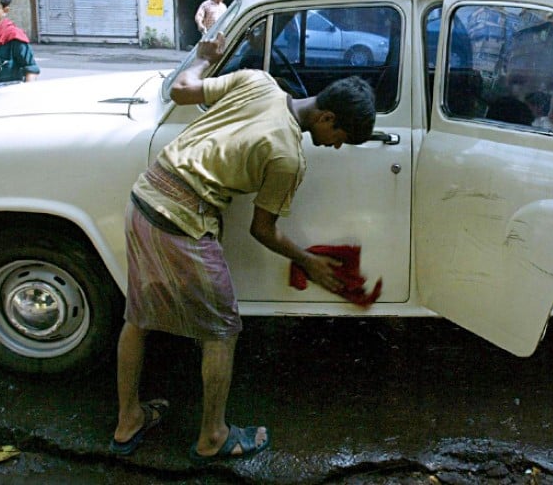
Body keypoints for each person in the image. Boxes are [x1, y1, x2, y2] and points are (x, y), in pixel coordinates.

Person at [110, 34, 376, 463]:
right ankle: (213, 436)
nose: (337, 145)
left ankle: (128, 421)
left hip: (144, 198)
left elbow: (181, 90)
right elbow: (263, 230)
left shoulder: (259, 81)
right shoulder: (289, 156)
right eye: (341, 136)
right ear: (326, 117)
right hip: (182, 222)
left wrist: (202, 56)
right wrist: (307, 260)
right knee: (222, 331)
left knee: (138, 317)